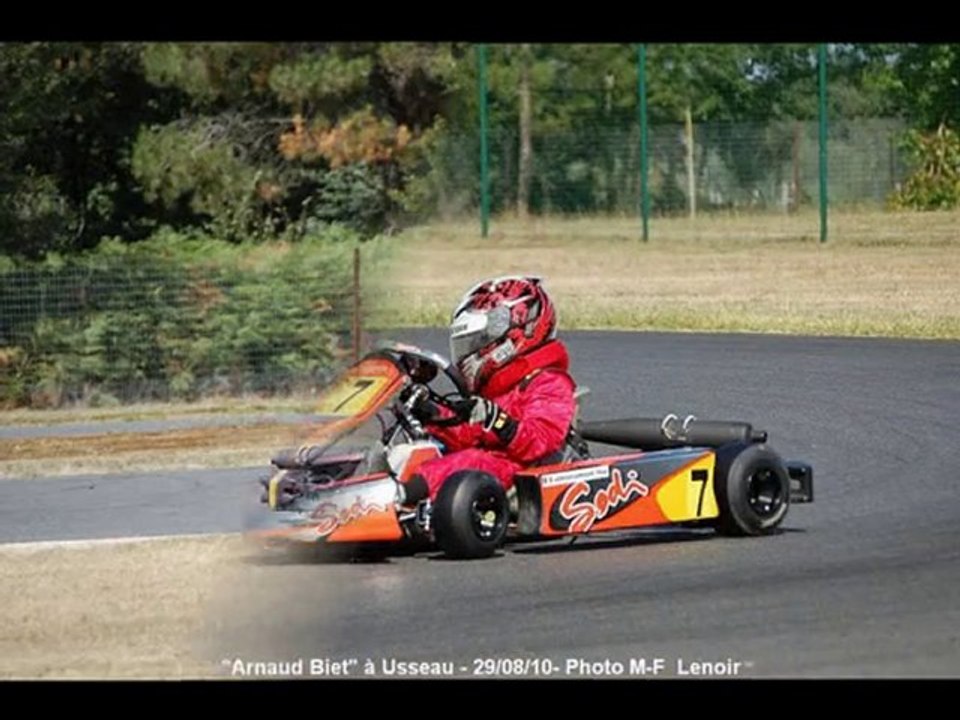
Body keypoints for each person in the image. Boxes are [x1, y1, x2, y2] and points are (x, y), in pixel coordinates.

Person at [400, 275, 577, 506]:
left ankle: (397, 497)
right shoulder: (499, 385)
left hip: (522, 469)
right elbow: (472, 435)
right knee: (421, 448)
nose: (470, 353)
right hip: (489, 465)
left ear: (517, 333)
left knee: (469, 462)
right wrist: (433, 414)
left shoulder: (548, 382)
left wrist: (499, 420)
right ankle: (372, 483)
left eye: (478, 341)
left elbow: (540, 441)